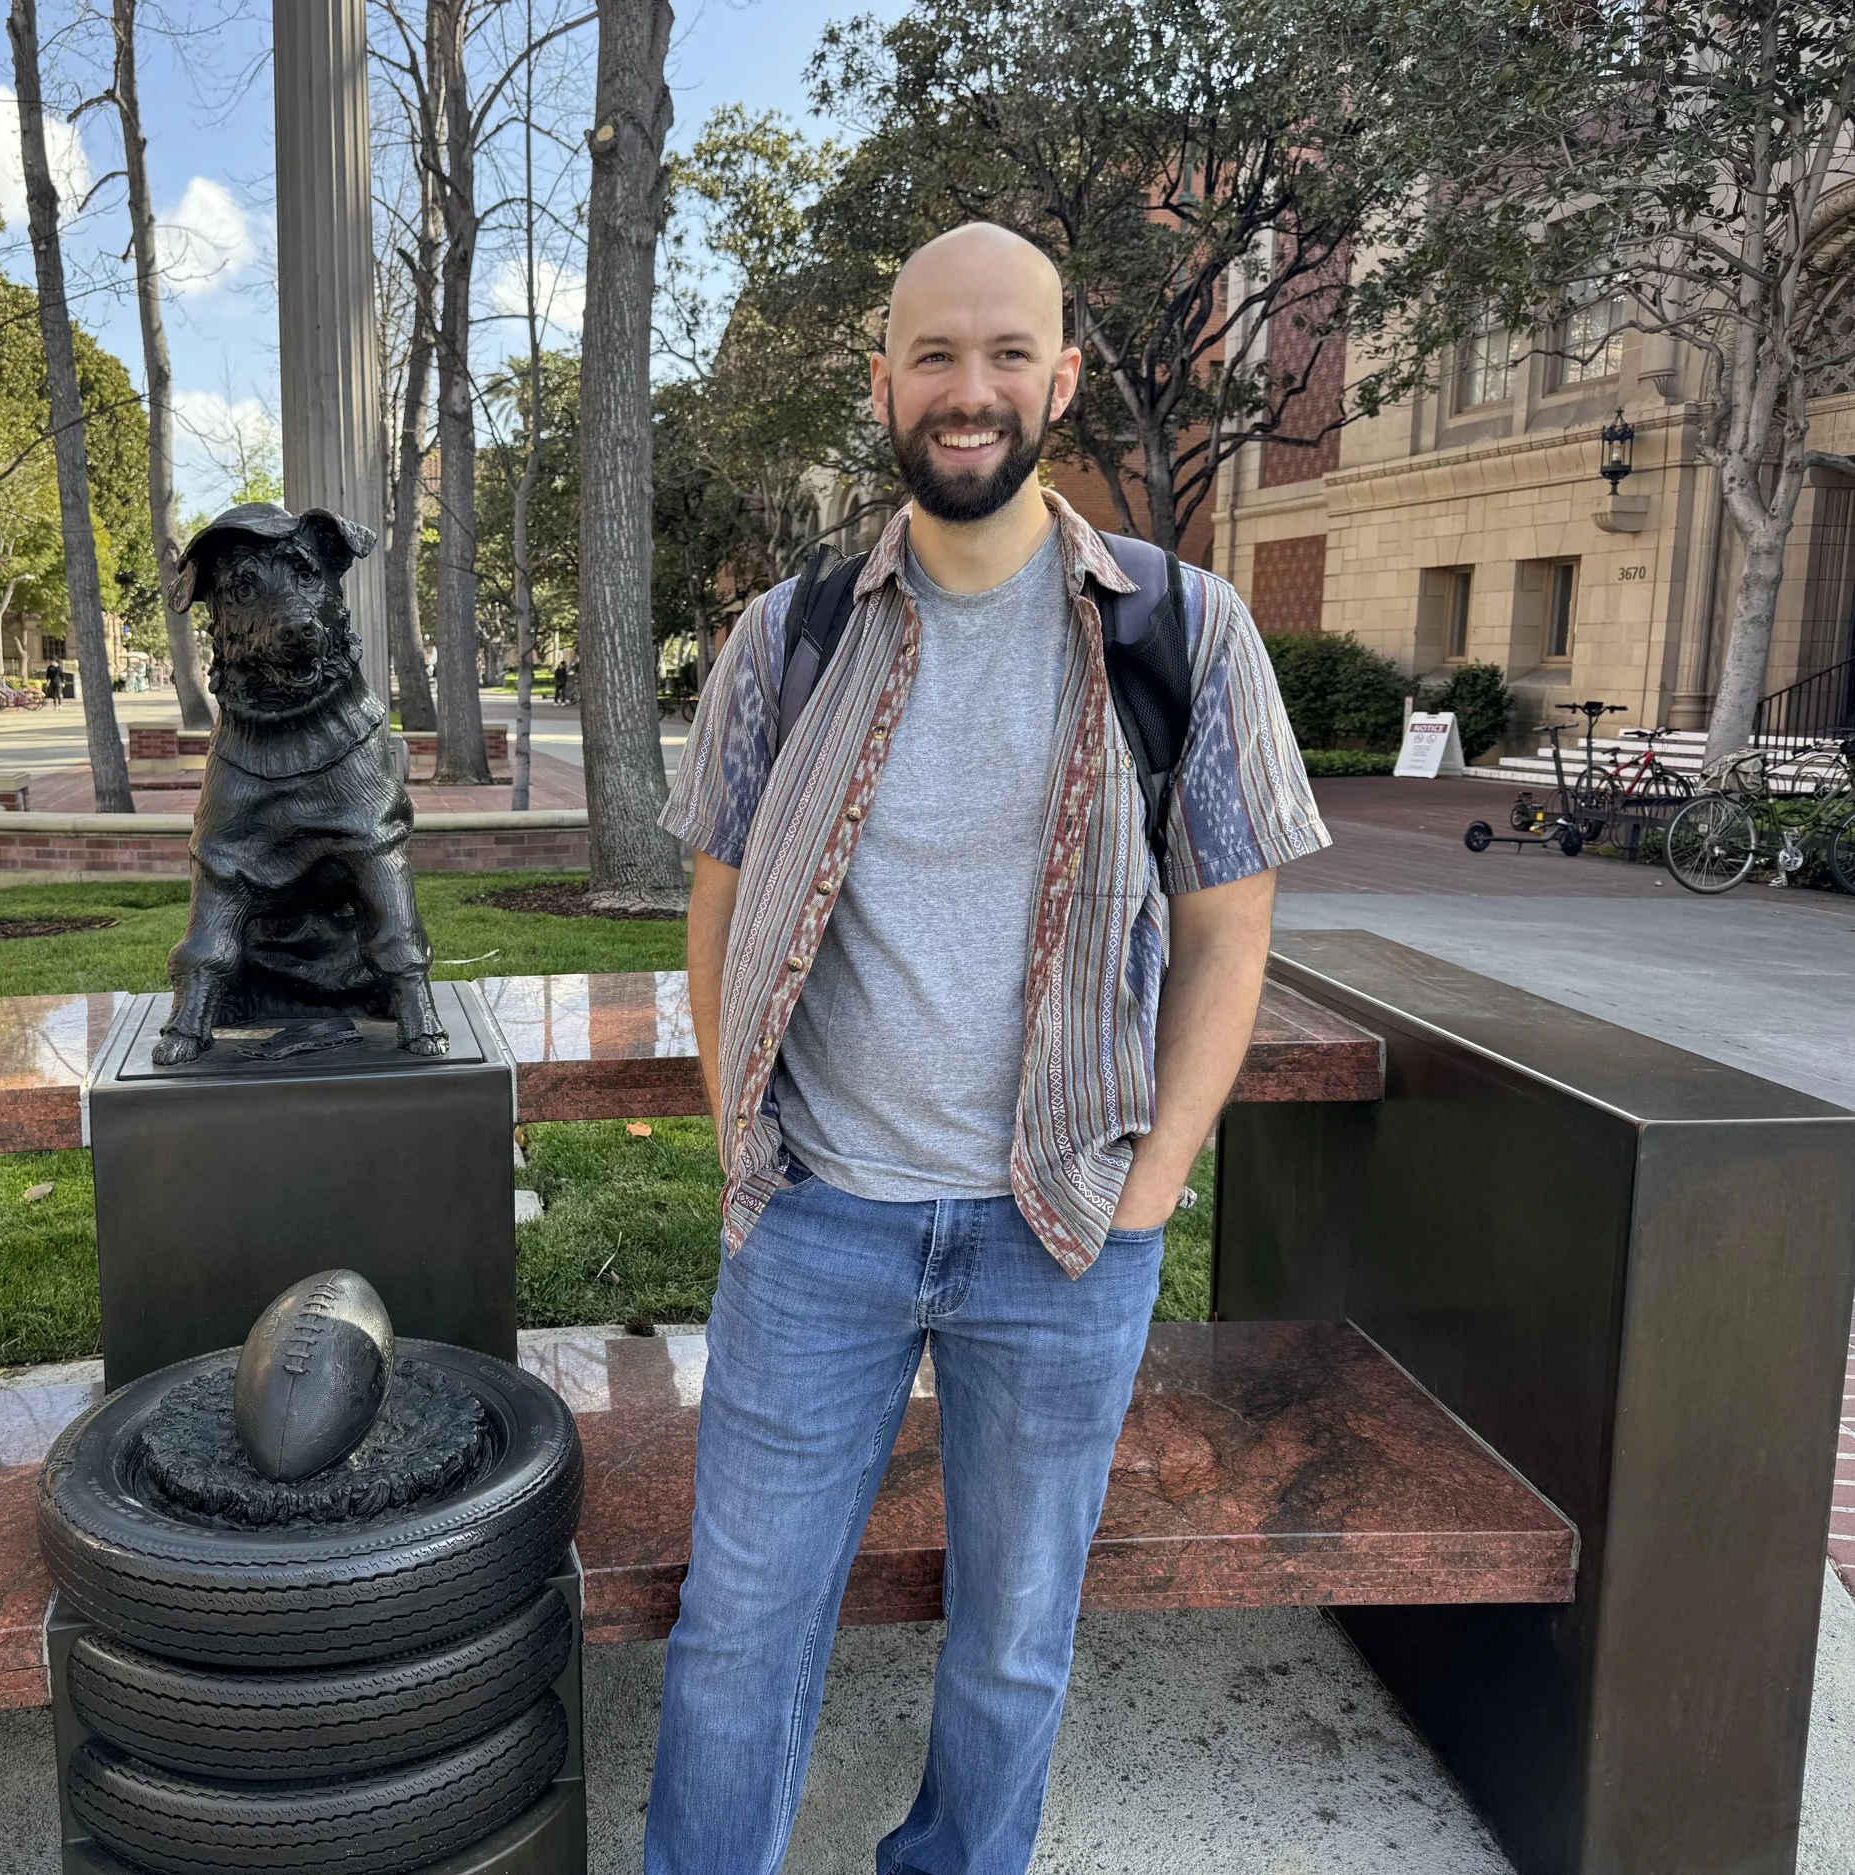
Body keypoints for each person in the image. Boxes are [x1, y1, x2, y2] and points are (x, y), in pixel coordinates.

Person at [649, 223, 1329, 1874]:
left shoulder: (1185, 633)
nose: (971, 392)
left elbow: (1231, 933)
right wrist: (745, 1125)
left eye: (1007, 355)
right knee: (738, 1628)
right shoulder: (789, 636)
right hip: (819, 1223)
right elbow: (719, 909)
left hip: (1066, 1231)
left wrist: (1153, 1189)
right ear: (882, 384)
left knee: (1017, 1636)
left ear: (1061, 381)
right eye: (935, 357)